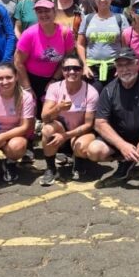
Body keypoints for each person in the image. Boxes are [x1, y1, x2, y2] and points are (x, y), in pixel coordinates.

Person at [89, 49, 139, 183]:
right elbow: (99, 123)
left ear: (137, 64)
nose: (125, 69)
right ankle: (126, 160)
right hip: (122, 138)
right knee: (94, 150)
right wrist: (122, 145)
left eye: (129, 64)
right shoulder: (109, 90)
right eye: (120, 65)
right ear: (116, 68)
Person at [39, 55, 99, 186]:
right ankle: (51, 168)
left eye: (76, 68)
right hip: (60, 129)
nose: (71, 72)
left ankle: (78, 160)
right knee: (47, 129)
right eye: (67, 68)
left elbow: (89, 125)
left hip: (79, 132)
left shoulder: (91, 92)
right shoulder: (54, 87)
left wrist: (65, 136)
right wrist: (58, 108)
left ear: (82, 70)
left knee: (83, 147)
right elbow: (44, 117)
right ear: (62, 71)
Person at [14, 0, 76, 116]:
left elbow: (67, 59)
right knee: (31, 114)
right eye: (40, 11)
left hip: (54, 77)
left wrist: (54, 79)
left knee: (51, 114)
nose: (43, 14)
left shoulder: (65, 33)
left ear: (54, 12)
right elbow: (18, 62)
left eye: (47, 11)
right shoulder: (29, 34)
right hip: (30, 79)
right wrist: (27, 88)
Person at [76, 0, 129, 89]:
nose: (102, 0)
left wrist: (122, 66)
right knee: (94, 97)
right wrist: (85, 66)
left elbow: (126, 45)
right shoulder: (87, 19)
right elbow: (80, 44)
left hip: (115, 68)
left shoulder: (120, 18)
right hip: (92, 69)